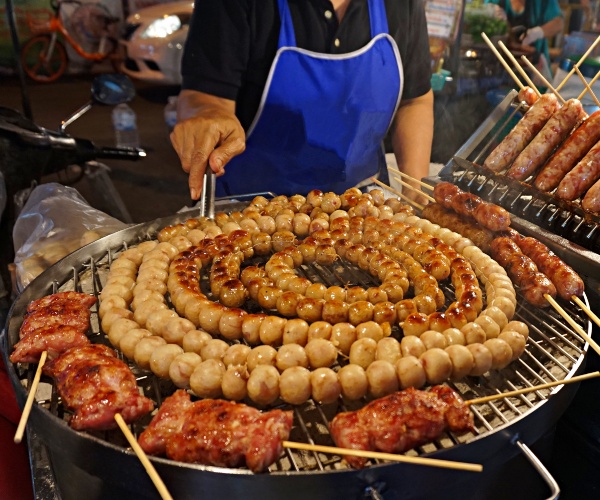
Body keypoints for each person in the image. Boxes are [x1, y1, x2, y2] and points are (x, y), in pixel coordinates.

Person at [170, 0, 433, 201]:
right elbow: (205, 98)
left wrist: (417, 192)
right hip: (247, 213)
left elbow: (415, 100)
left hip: (362, 207)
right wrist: (206, 115)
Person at [486, 0, 564, 72]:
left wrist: (537, 32)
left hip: (534, 68)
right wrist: (486, 13)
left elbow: (558, 23)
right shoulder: (494, 1)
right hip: (499, 67)